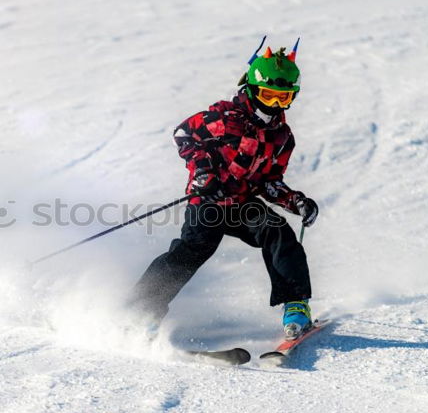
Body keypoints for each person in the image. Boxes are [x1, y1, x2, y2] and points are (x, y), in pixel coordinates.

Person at [129, 40, 319, 341]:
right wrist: (203, 172)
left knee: (278, 231)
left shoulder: (282, 137)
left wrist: (294, 201)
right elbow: (185, 134)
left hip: (243, 203)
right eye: (269, 95)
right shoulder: (226, 119)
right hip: (209, 199)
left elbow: (269, 181)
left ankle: (296, 304)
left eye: (283, 98)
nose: (274, 105)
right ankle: (139, 309)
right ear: (253, 89)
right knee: (194, 248)